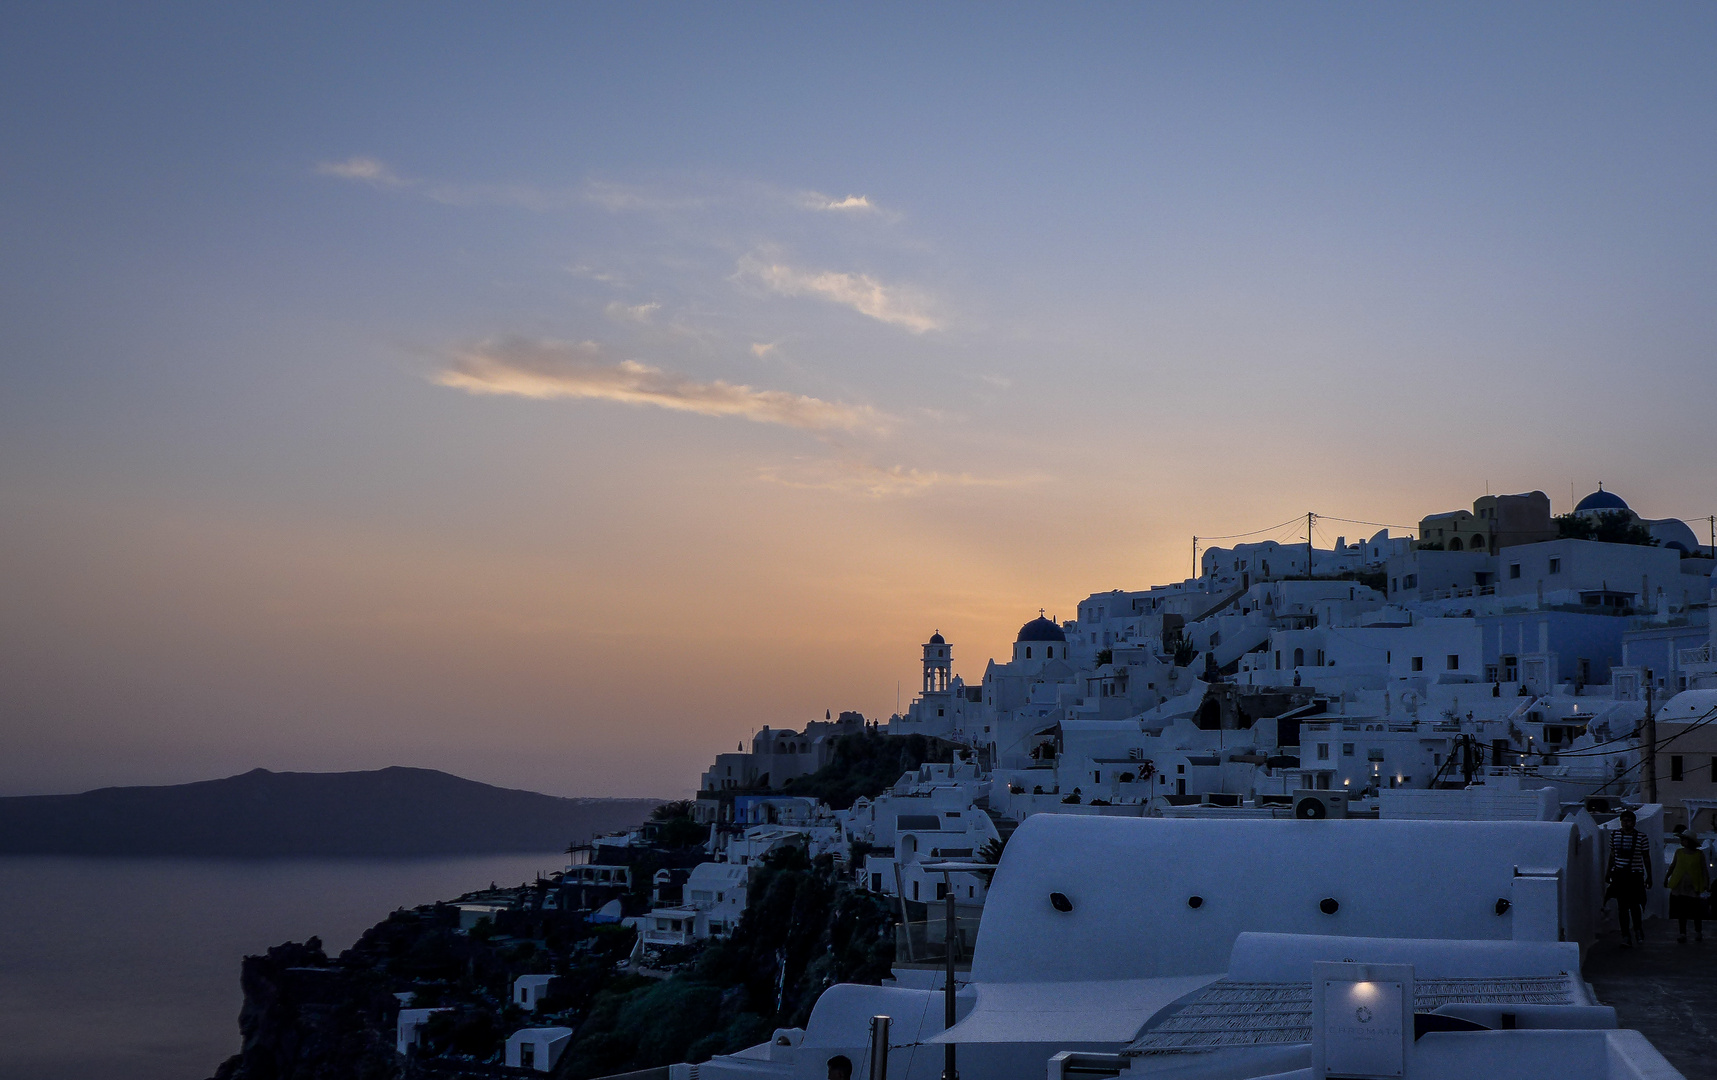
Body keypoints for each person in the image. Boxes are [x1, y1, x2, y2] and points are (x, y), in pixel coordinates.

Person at [1606, 809, 1652, 947]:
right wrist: (1608, 872)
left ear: (1634, 822)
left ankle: (1637, 929)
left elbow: (1646, 857)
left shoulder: (1641, 837)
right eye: (1624, 821)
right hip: (1619, 875)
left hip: (1635, 875)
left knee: (1634, 905)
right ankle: (1625, 935)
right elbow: (1612, 855)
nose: (1626, 824)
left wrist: (1649, 876)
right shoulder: (1614, 835)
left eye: (1629, 821)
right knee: (1622, 907)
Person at [1665, 832, 1710, 944]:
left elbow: (1704, 869)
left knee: (1696, 911)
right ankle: (1682, 933)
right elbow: (1673, 865)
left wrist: (1706, 883)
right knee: (1681, 912)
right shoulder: (1679, 852)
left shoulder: (1699, 854)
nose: (1682, 841)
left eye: (1684, 839)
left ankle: (1698, 932)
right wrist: (1666, 877)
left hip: (1693, 886)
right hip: (1679, 885)